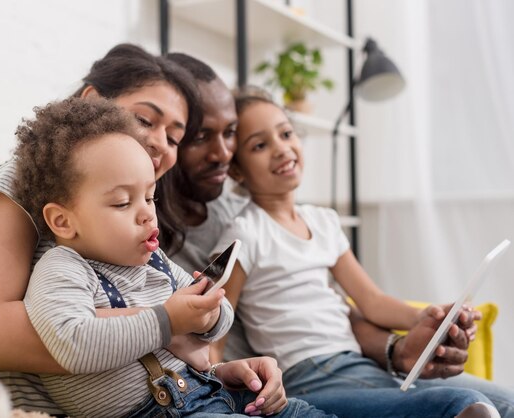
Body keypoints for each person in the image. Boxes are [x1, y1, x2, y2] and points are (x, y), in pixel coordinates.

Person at [0, 44, 301, 416]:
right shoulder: (32, 186)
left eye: (175, 137)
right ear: (93, 103)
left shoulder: (128, 225)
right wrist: (164, 326)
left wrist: (214, 366)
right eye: (144, 119)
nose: (157, 143)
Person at [157, 54, 514, 417]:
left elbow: (371, 301)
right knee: (465, 407)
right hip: (310, 376)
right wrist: (217, 378)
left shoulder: (324, 222)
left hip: (360, 364)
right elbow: (216, 326)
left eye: (286, 133)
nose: (281, 148)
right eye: (259, 146)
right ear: (238, 171)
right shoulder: (244, 233)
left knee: (505, 403)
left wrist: (436, 319)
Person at [8, 96, 334, 418]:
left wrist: (209, 315)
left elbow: (219, 320)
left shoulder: (154, 260)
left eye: (150, 197)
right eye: (123, 203)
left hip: (208, 391)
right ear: (63, 221)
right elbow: (73, 344)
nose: (148, 215)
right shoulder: (62, 269)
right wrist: (169, 321)